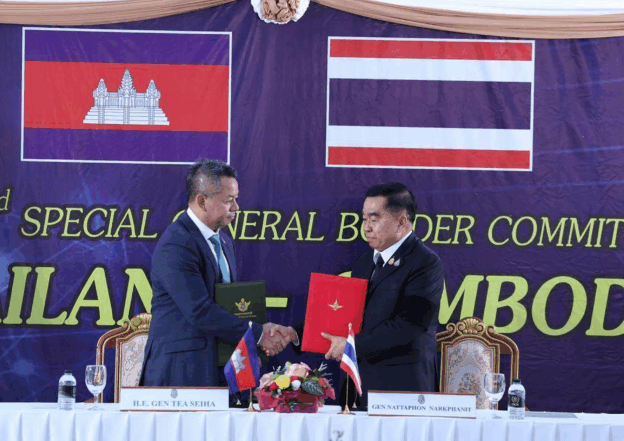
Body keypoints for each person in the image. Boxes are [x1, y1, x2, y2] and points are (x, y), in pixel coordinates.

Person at [140, 159, 297, 387]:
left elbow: (227, 305)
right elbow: (199, 310)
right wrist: (258, 334)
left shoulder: (223, 240)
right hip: (180, 372)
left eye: (236, 199)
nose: (236, 208)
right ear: (203, 201)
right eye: (229, 201)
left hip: (217, 367)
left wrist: (254, 340)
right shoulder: (176, 244)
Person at [321, 182, 444, 408]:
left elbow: (410, 326)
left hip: (402, 390)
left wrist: (350, 346)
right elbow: (345, 315)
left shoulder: (426, 263)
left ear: (401, 221)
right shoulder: (365, 262)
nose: (366, 227)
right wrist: (294, 334)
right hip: (358, 387)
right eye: (364, 219)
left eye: (374, 219)